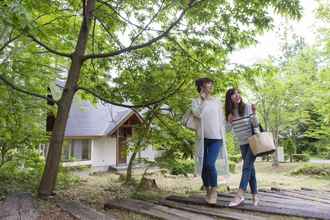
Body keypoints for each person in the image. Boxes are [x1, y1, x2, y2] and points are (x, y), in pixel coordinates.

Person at [191, 77, 229, 204]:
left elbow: (222, 120)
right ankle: (207, 190)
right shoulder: (196, 101)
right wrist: (202, 101)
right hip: (202, 139)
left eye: (212, 84)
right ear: (202, 86)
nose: (211, 86)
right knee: (203, 167)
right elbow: (198, 114)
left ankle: (214, 190)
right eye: (208, 84)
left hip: (216, 138)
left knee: (209, 164)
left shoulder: (217, 101)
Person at [224, 88, 259, 207]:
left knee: (246, 166)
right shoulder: (230, 113)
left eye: (238, 93)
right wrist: (229, 121)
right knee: (250, 169)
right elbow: (227, 130)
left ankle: (239, 195)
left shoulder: (248, 107)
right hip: (242, 143)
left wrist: (254, 113)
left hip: (253, 142)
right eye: (233, 94)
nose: (237, 95)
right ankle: (255, 195)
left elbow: (255, 125)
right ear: (229, 98)